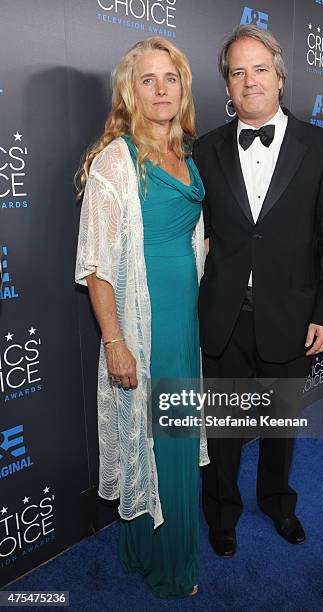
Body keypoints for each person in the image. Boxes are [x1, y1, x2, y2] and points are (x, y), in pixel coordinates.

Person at [193, 24, 323, 557]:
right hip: (224, 314)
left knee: (281, 426)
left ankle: (280, 504)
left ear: (280, 78)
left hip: (291, 311)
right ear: (228, 86)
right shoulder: (204, 149)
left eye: (260, 69)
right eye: (237, 72)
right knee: (225, 427)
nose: (249, 80)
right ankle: (221, 514)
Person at [75, 37, 209, 598]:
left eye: (170, 78)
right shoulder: (115, 160)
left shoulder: (189, 154)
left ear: (183, 87)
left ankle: (150, 550)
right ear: (131, 91)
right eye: (148, 80)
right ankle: (168, 567)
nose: (160, 90)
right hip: (143, 327)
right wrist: (115, 340)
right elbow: (97, 264)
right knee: (153, 439)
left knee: (173, 438)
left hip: (185, 320)